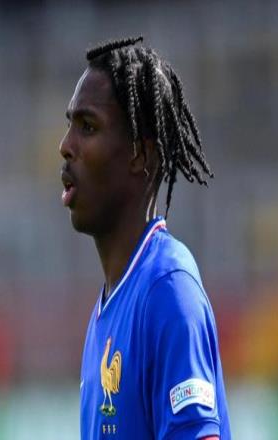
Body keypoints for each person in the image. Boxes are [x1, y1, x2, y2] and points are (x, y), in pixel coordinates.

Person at [59, 36, 231, 440]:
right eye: (70, 126)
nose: (65, 146)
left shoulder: (168, 290)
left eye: (87, 127)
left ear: (141, 154)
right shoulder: (109, 309)